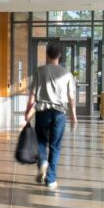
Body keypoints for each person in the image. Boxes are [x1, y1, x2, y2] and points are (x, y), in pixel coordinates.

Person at [25, 42, 78, 190]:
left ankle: (42, 162)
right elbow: (71, 96)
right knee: (55, 146)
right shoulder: (67, 74)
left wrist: (27, 111)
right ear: (59, 55)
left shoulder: (40, 71)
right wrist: (73, 115)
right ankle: (51, 179)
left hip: (42, 111)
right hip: (59, 113)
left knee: (41, 141)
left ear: (47, 54)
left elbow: (32, 95)